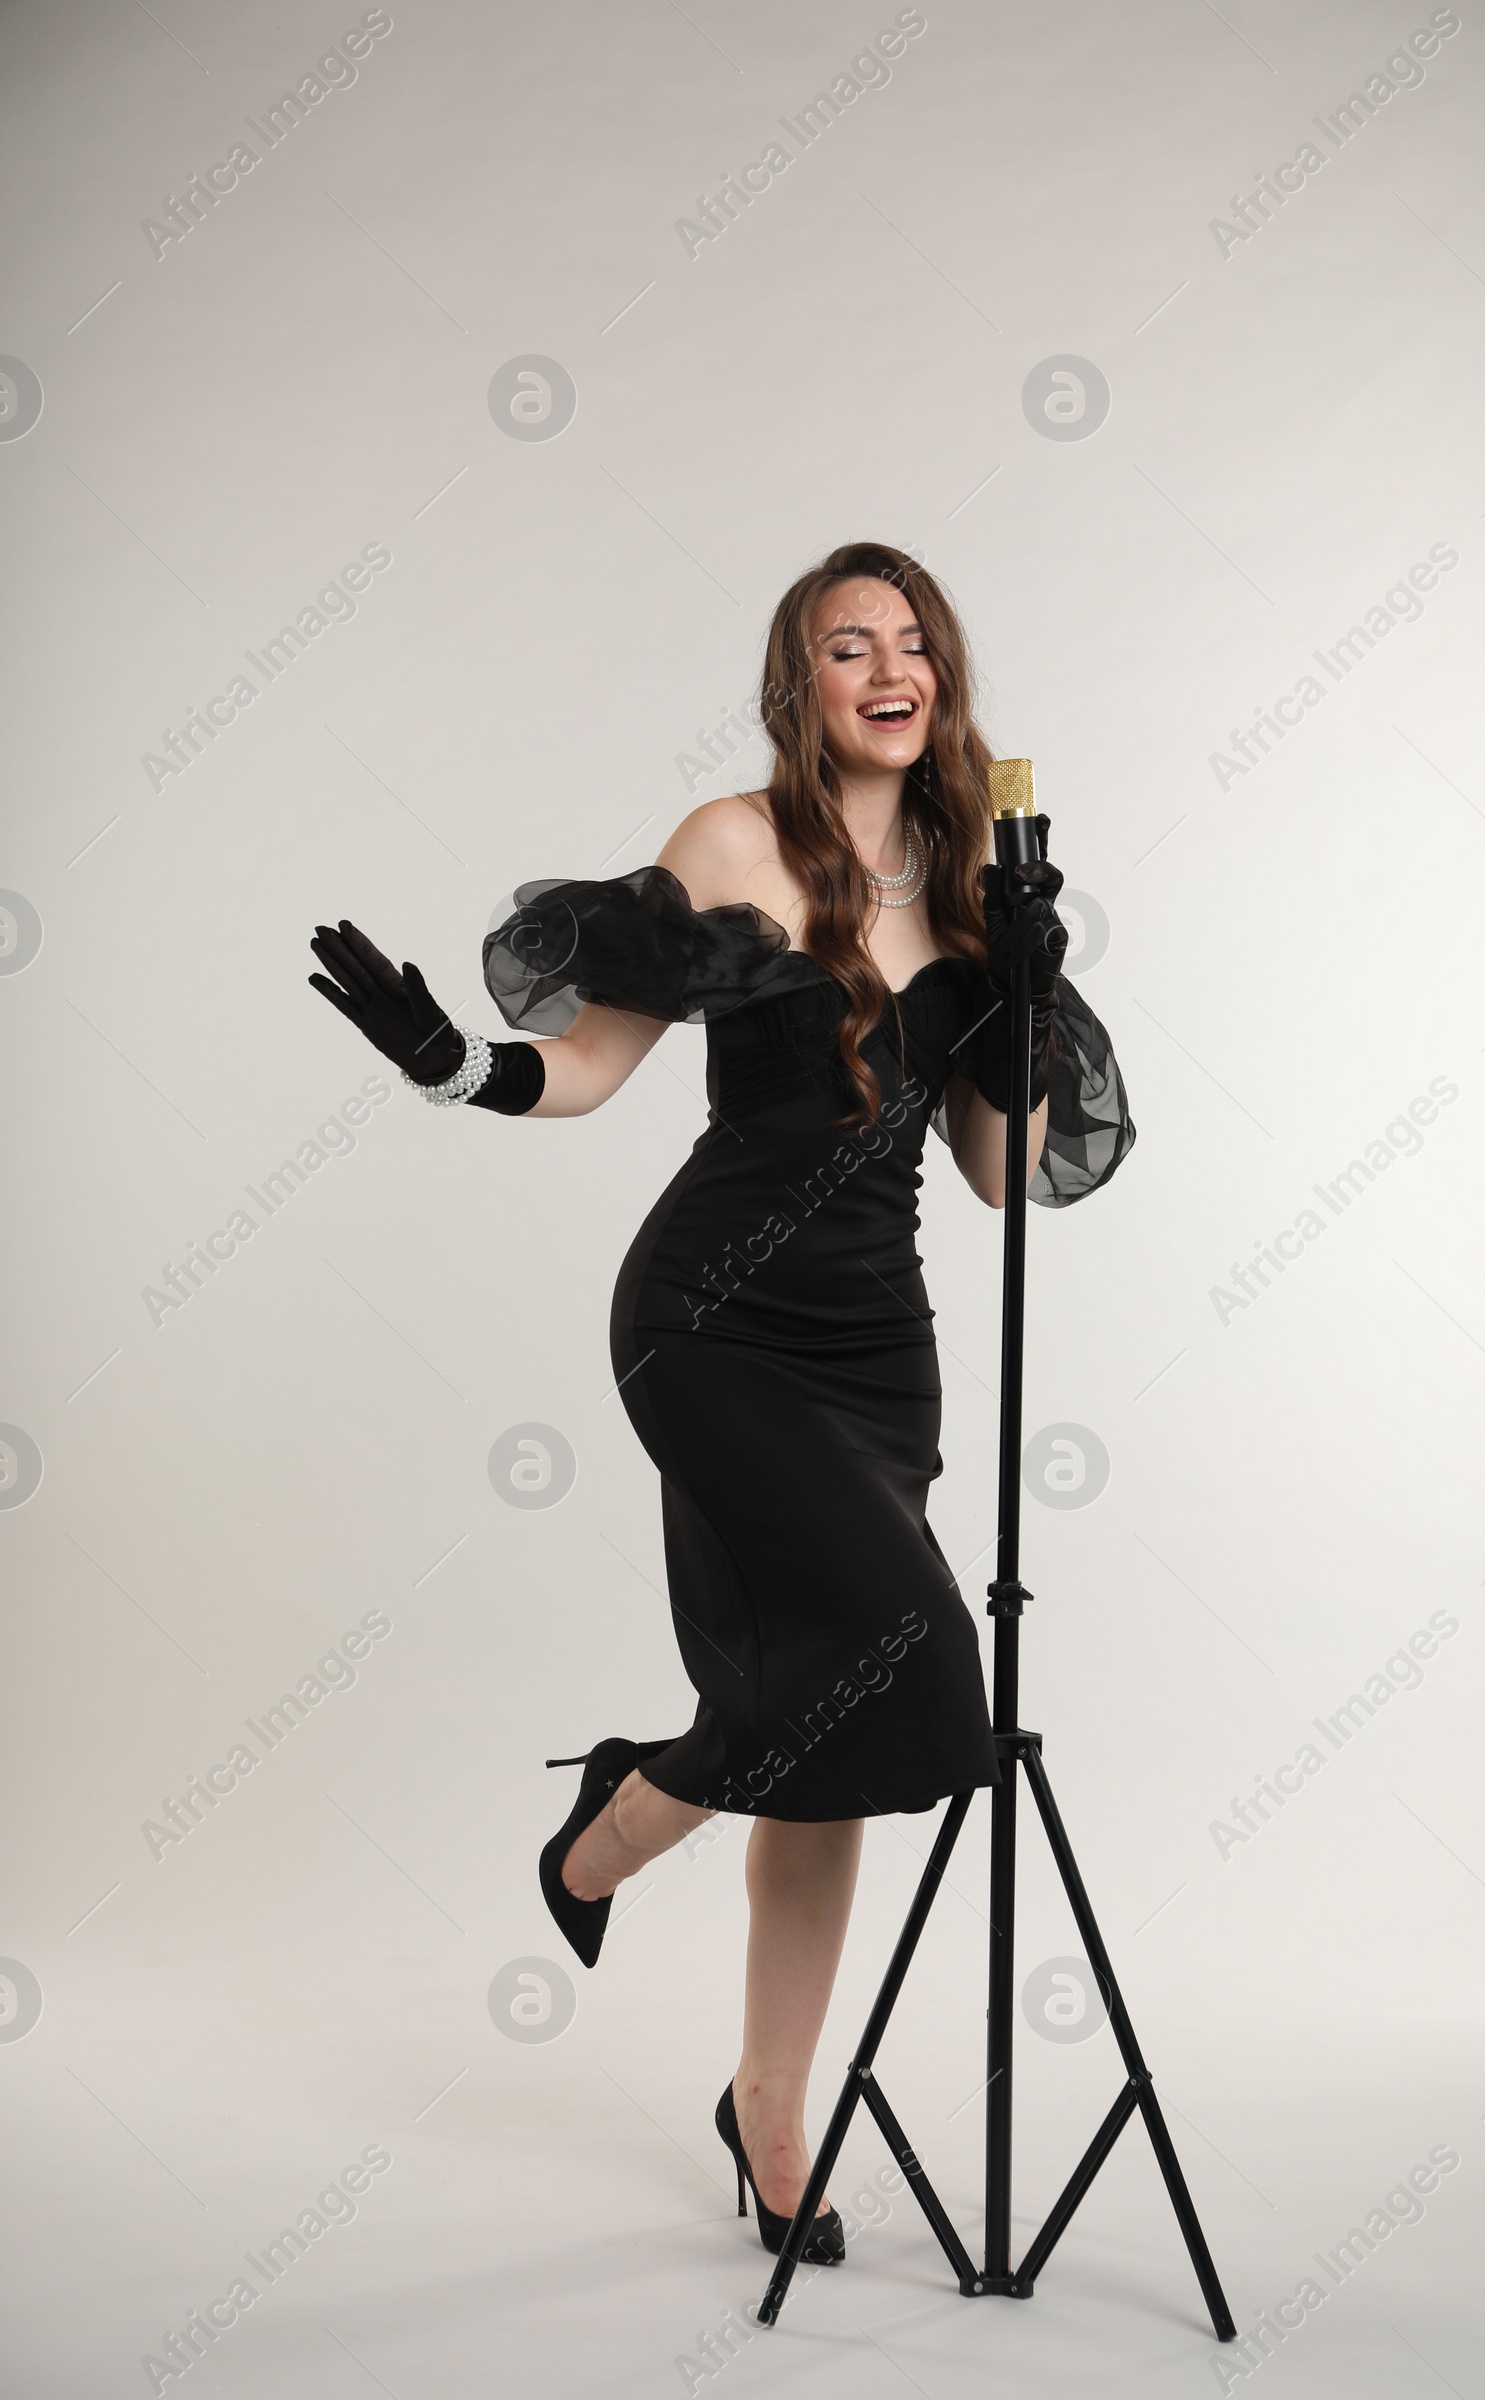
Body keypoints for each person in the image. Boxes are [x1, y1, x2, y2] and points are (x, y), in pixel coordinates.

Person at [308, 540, 1134, 2269]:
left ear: (945, 677)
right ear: (803, 686)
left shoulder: (980, 884)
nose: (888, 669)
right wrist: (452, 1062)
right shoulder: (736, 844)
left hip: (881, 1354)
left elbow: (994, 1177)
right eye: (850, 646)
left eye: (913, 643)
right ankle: (618, 1821)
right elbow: (595, 1066)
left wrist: (1026, 1004)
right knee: (909, 1661)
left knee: (834, 1741)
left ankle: (770, 2112)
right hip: (711, 1320)